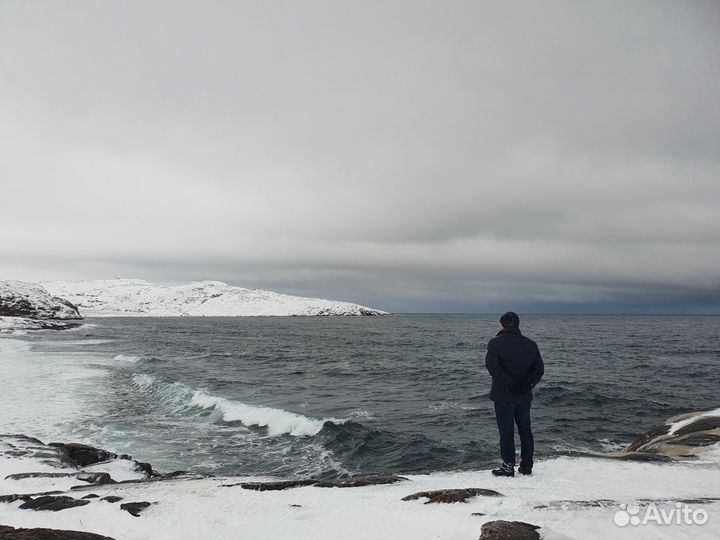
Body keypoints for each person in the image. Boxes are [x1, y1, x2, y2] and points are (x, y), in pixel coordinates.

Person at [485, 311, 544, 477]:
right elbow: (539, 370)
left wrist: (512, 385)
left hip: (504, 396)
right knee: (525, 430)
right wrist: (526, 384)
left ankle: (508, 466)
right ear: (517, 325)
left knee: (506, 432)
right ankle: (527, 466)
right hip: (524, 396)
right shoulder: (531, 344)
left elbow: (493, 369)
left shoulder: (495, 343)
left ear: (502, 325)